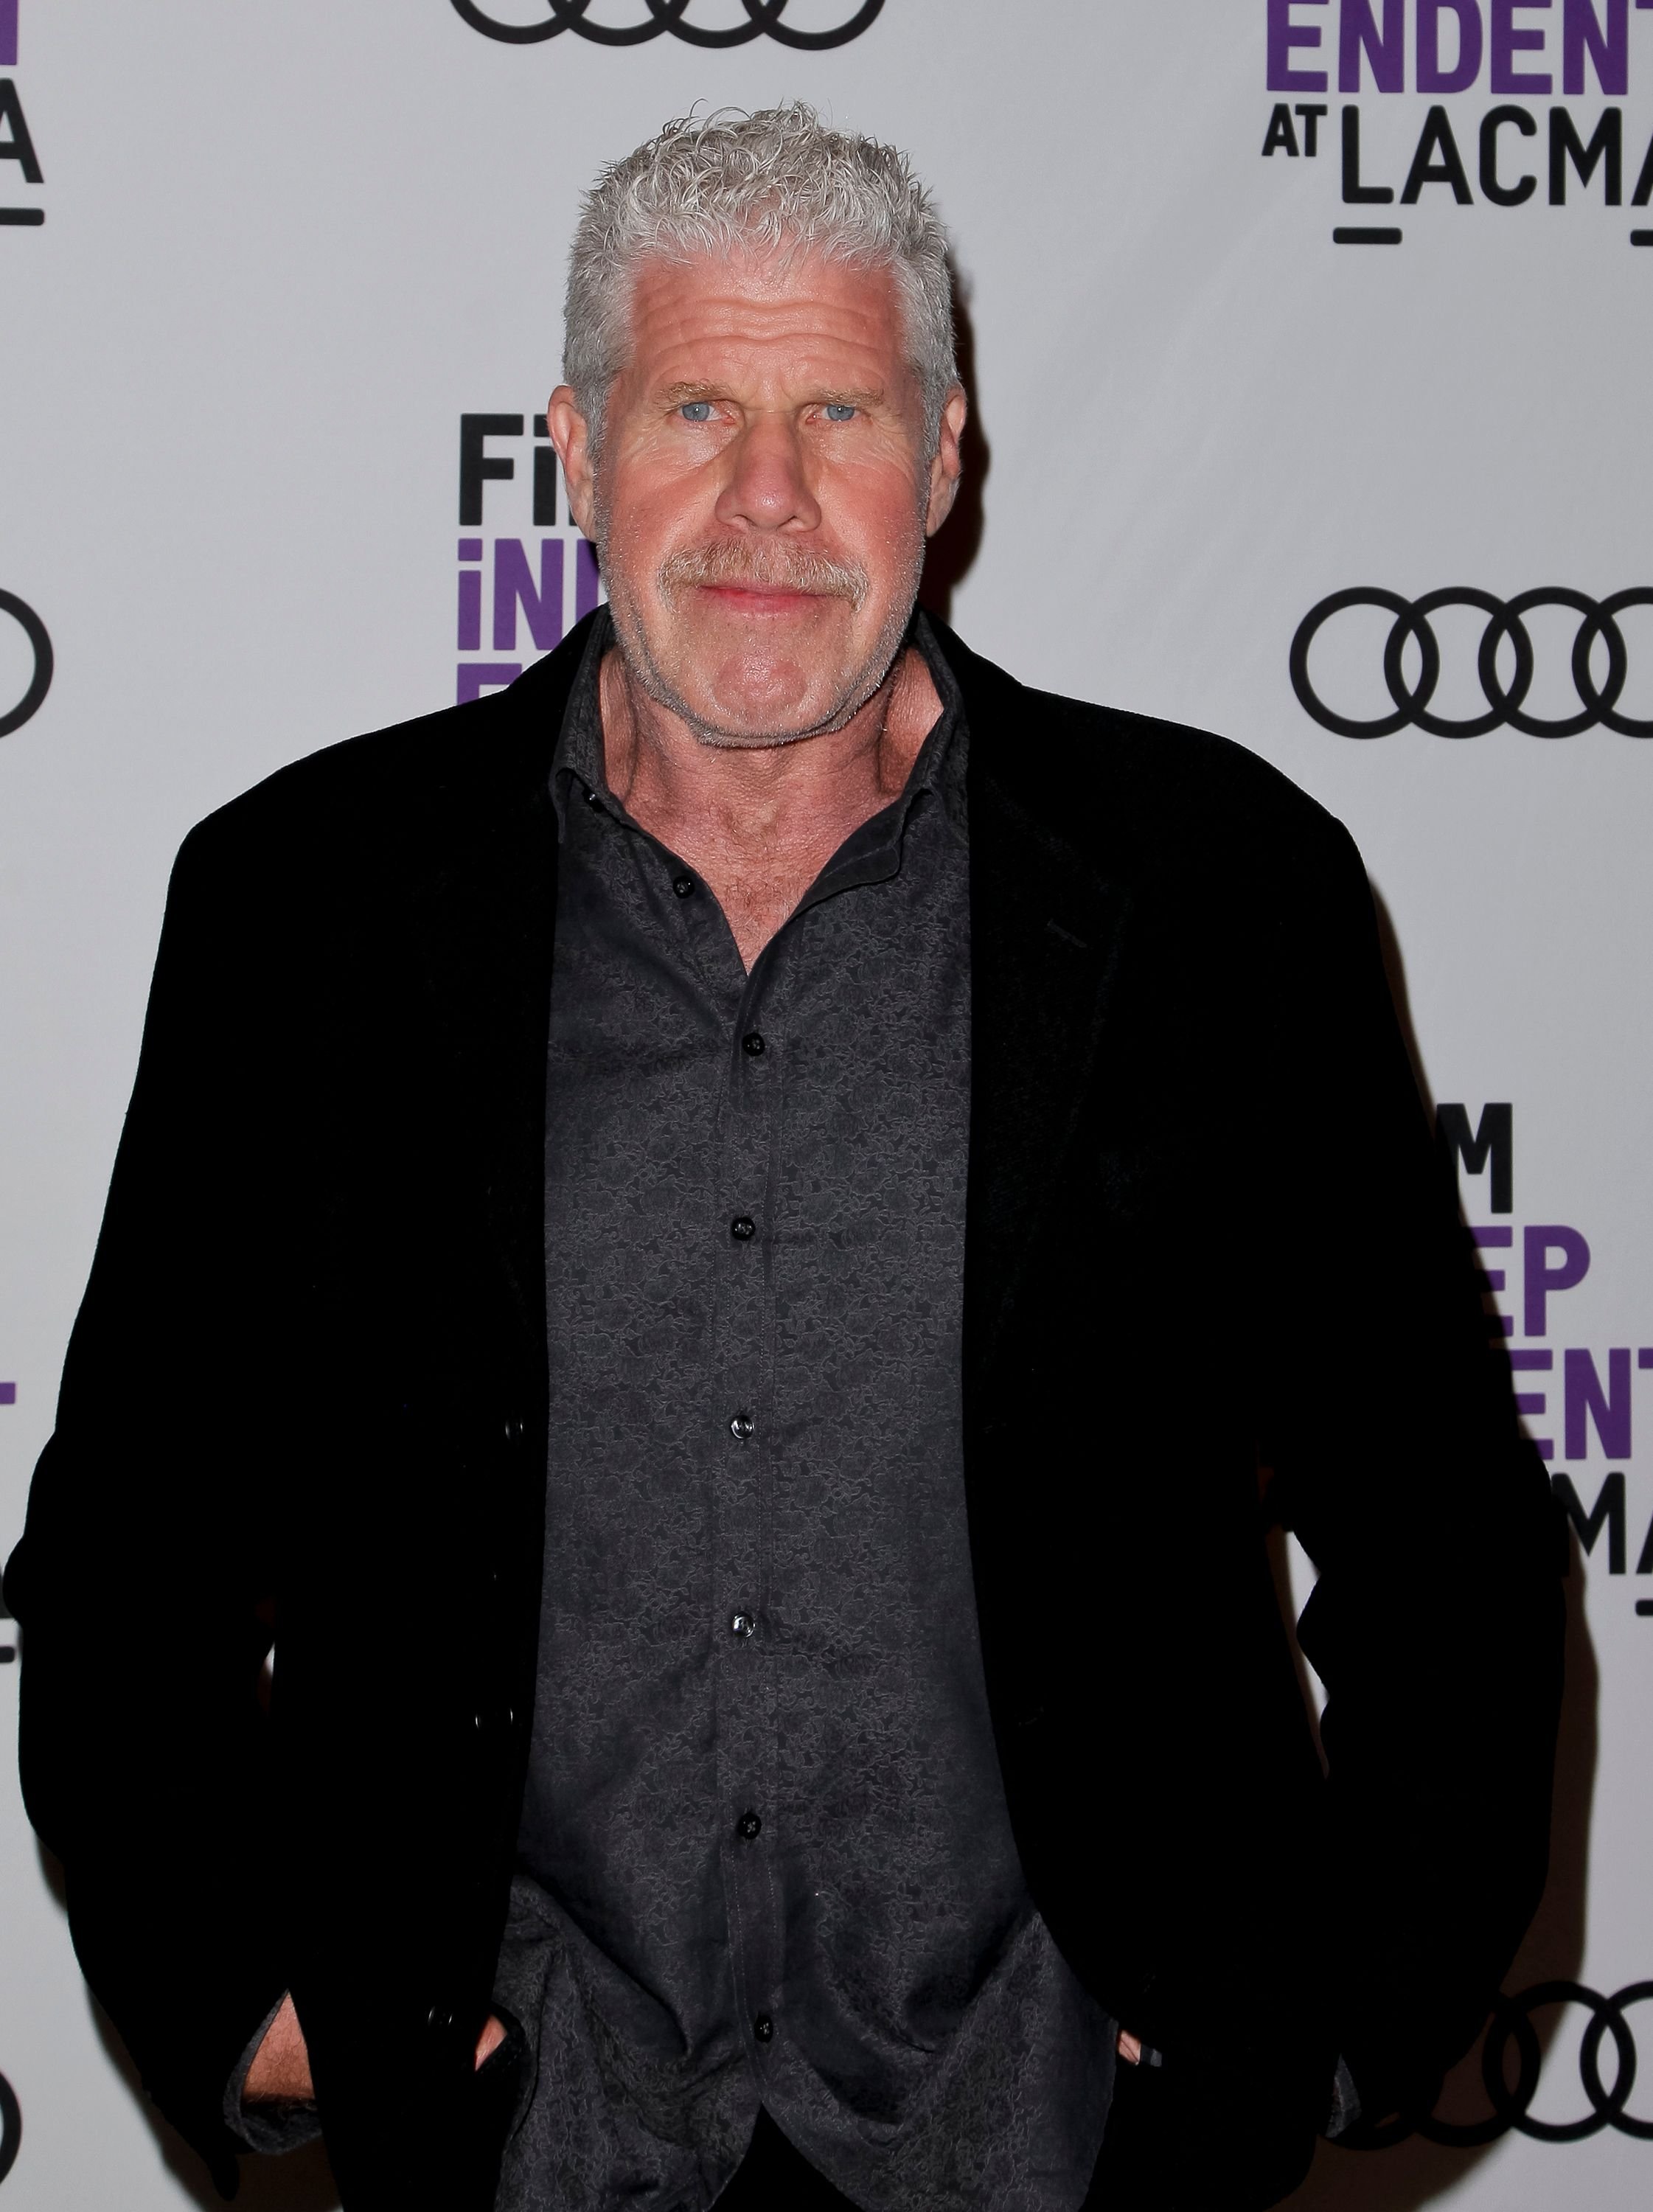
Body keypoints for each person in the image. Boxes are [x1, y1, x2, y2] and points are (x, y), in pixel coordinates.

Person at [7, 104, 1563, 2212]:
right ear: (572, 447)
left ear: (941, 461)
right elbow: (131, 1553)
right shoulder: (314, 904)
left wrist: (1340, 1998)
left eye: (838, 407)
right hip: (520, 2135)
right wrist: (238, 1993)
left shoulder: (1216, 894)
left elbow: (1445, 1535)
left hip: (1065, 2136)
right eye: (695, 408)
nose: (766, 496)